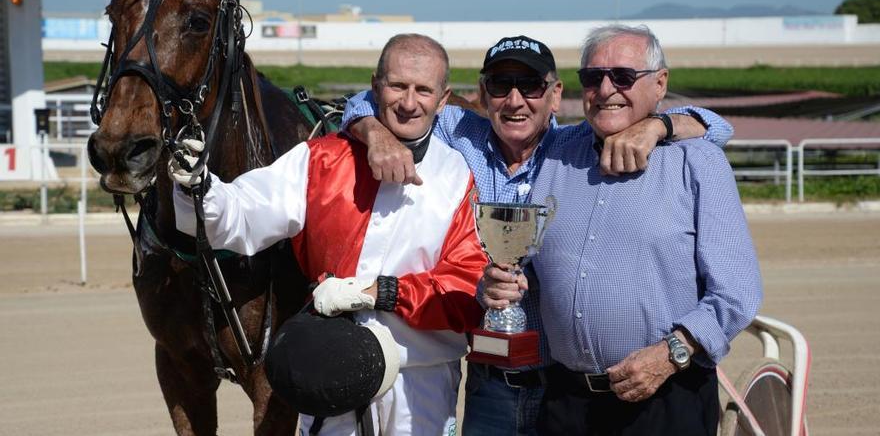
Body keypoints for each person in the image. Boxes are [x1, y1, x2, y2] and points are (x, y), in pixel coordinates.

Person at [341, 35, 734, 435]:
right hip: (488, 382)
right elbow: (369, 101)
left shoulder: (575, 147)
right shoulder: (459, 133)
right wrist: (377, 135)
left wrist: (657, 125)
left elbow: (716, 127)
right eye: (500, 85)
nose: (514, 101)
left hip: (560, 387)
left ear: (555, 93)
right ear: (482, 92)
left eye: (530, 86)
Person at [169, 33, 487, 435]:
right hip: (327, 376)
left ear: (443, 100)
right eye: (397, 86)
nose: (409, 103)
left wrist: (382, 292)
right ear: (375, 85)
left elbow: (465, 288)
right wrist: (197, 186)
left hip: (419, 388)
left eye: (423, 90)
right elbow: (241, 214)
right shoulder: (320, 157)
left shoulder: (460, 178)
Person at [505, 24, 763, 435]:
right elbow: (532, 264)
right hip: (565, 402)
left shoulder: (698, 163)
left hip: (665, 395)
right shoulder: (553, 155)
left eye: (623, 77)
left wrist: (671, 354)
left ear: (659, 84)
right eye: (593, 77)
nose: (606, 89)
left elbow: (736, 291)